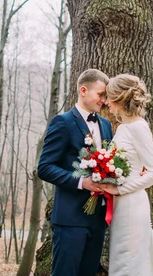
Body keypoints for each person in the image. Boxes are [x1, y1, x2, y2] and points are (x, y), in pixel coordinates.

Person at [37, 69, 113, 276]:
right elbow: (44, 168)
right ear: (83, 90)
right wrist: (82, 182)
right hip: (70, 219)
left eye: (106, 96)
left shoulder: (106, 125)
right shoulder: (62, 122)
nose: (104, 100)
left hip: (98, 220)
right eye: (100, 94)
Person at [101, 74, 153, 276]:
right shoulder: (124, 128)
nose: (106, 102)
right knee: (128, 260)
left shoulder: (138, 127)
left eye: (108, 97)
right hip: (121, 206)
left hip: (131, 206)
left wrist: (119, 189)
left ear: (118, 98)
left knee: (127, 262)